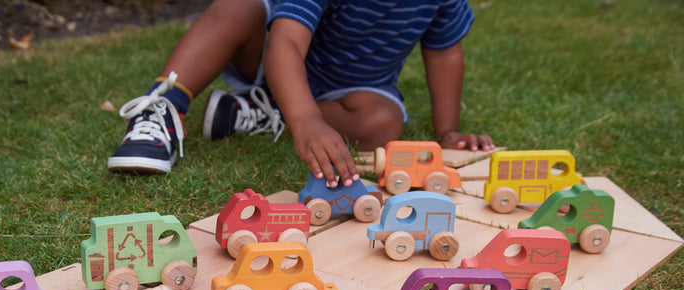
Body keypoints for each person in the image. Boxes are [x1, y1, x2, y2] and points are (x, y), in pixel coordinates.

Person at [107, 0, 494, 187]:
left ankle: (265, 113)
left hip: (352, 87)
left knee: (384, 122)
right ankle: (162, 107)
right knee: (240, 5)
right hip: (272, 59)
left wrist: (447, 132)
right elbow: (285, 43)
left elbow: (444, 52)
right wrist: (305, 120)